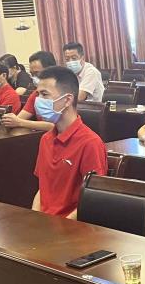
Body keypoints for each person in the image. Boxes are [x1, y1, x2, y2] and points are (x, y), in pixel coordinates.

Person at [31, 66, 108, 218]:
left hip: (72, 225)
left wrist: (61, 226)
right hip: (45, 224)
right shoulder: (46, 139)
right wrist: (35, 219)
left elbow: (93, 199)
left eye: (44, 94)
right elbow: (43, 188)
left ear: (67, 100)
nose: (38, 100)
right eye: (38, 94)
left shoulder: (90, 143)